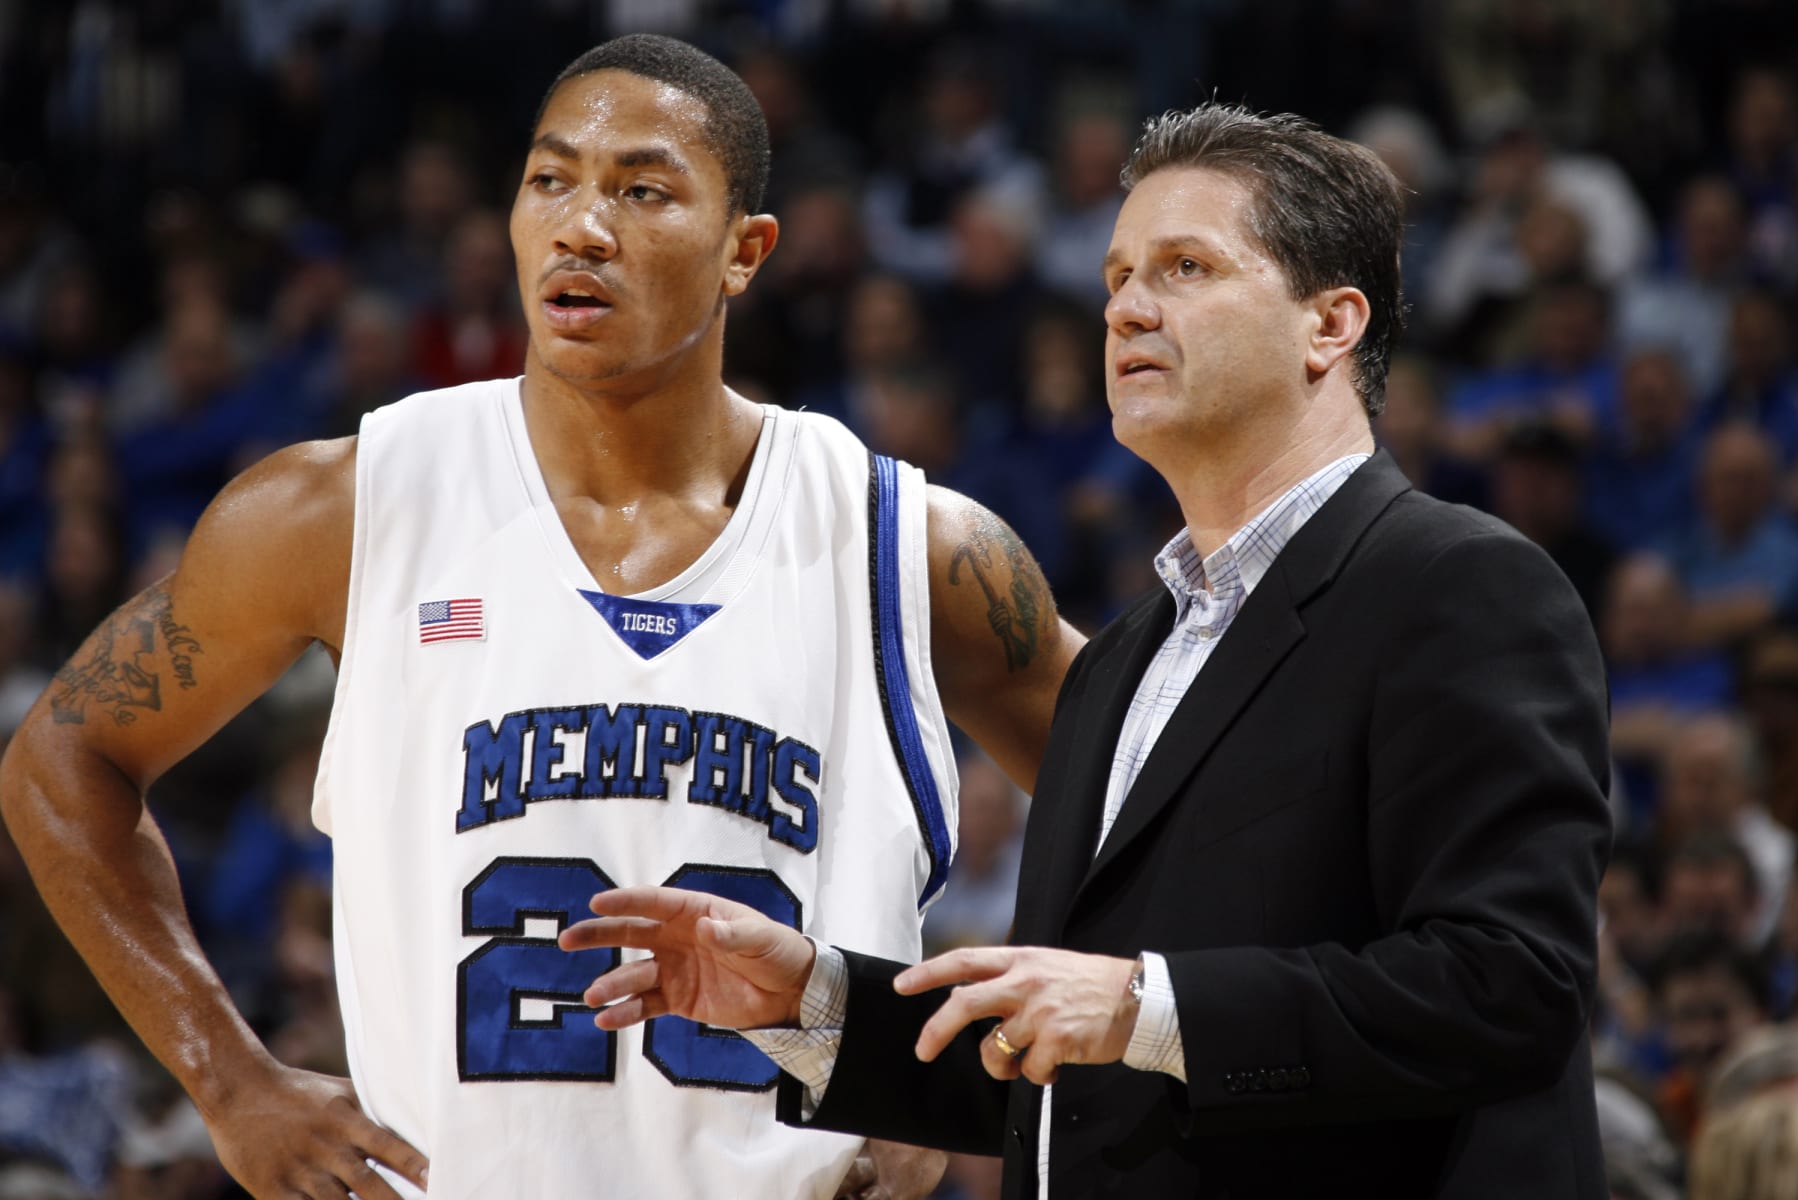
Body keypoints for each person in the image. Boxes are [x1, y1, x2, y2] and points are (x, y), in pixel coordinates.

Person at [0, 34, 1083, 1200]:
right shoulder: (343, 508)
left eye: (642, 190)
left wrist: (946, 1067)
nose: (581, 226)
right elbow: (63, 757)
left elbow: (1169, 812)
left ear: (744, 251)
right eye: (550, 180)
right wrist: (226, 1075)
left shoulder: (906, 546)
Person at [564, 103, 1615, 1198]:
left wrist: (1141, 1006)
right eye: (1117, 278)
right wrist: (817, 1002)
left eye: (1186, 269)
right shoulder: (1119, 662)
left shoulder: (1459, 587)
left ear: (1330, 326)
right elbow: (1069, 1076)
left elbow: (1511, 987)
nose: (1126, 311)